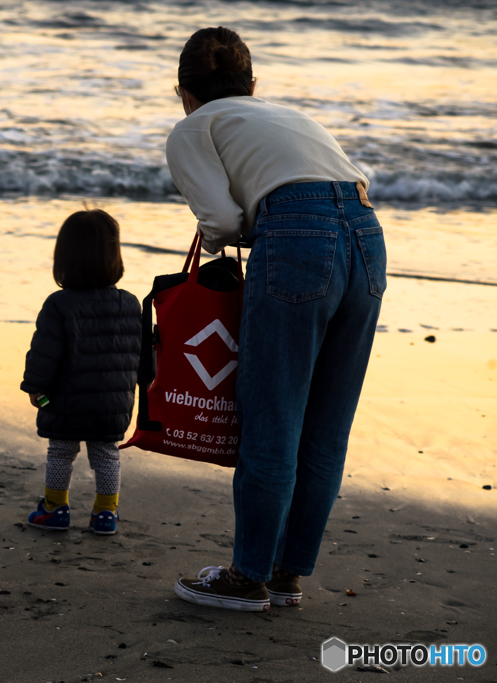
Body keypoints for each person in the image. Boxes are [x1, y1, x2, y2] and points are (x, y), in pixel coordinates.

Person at [166, 27, 387, 611]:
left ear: (184, 92)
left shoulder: (194, 126)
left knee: (273, 414)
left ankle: (247, 576)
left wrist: (235, 234)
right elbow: (345, 183)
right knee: (325, 424)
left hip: (294, 237)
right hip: (367, 233)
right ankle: (288, 573)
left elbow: (218, 222)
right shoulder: (293, 117)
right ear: (253, 84)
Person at [20, 209, 142, 536]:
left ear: (64, 259)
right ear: (113, 256)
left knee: (61, 452)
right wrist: (146, 383)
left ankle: (55, 509)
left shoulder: (59, 304)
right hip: (113, 402)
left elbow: (45, 354)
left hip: (64, 400)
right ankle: (105, 514)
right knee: (106, 454)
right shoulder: (130, 304)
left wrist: (35, 388)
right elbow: (143, 355)